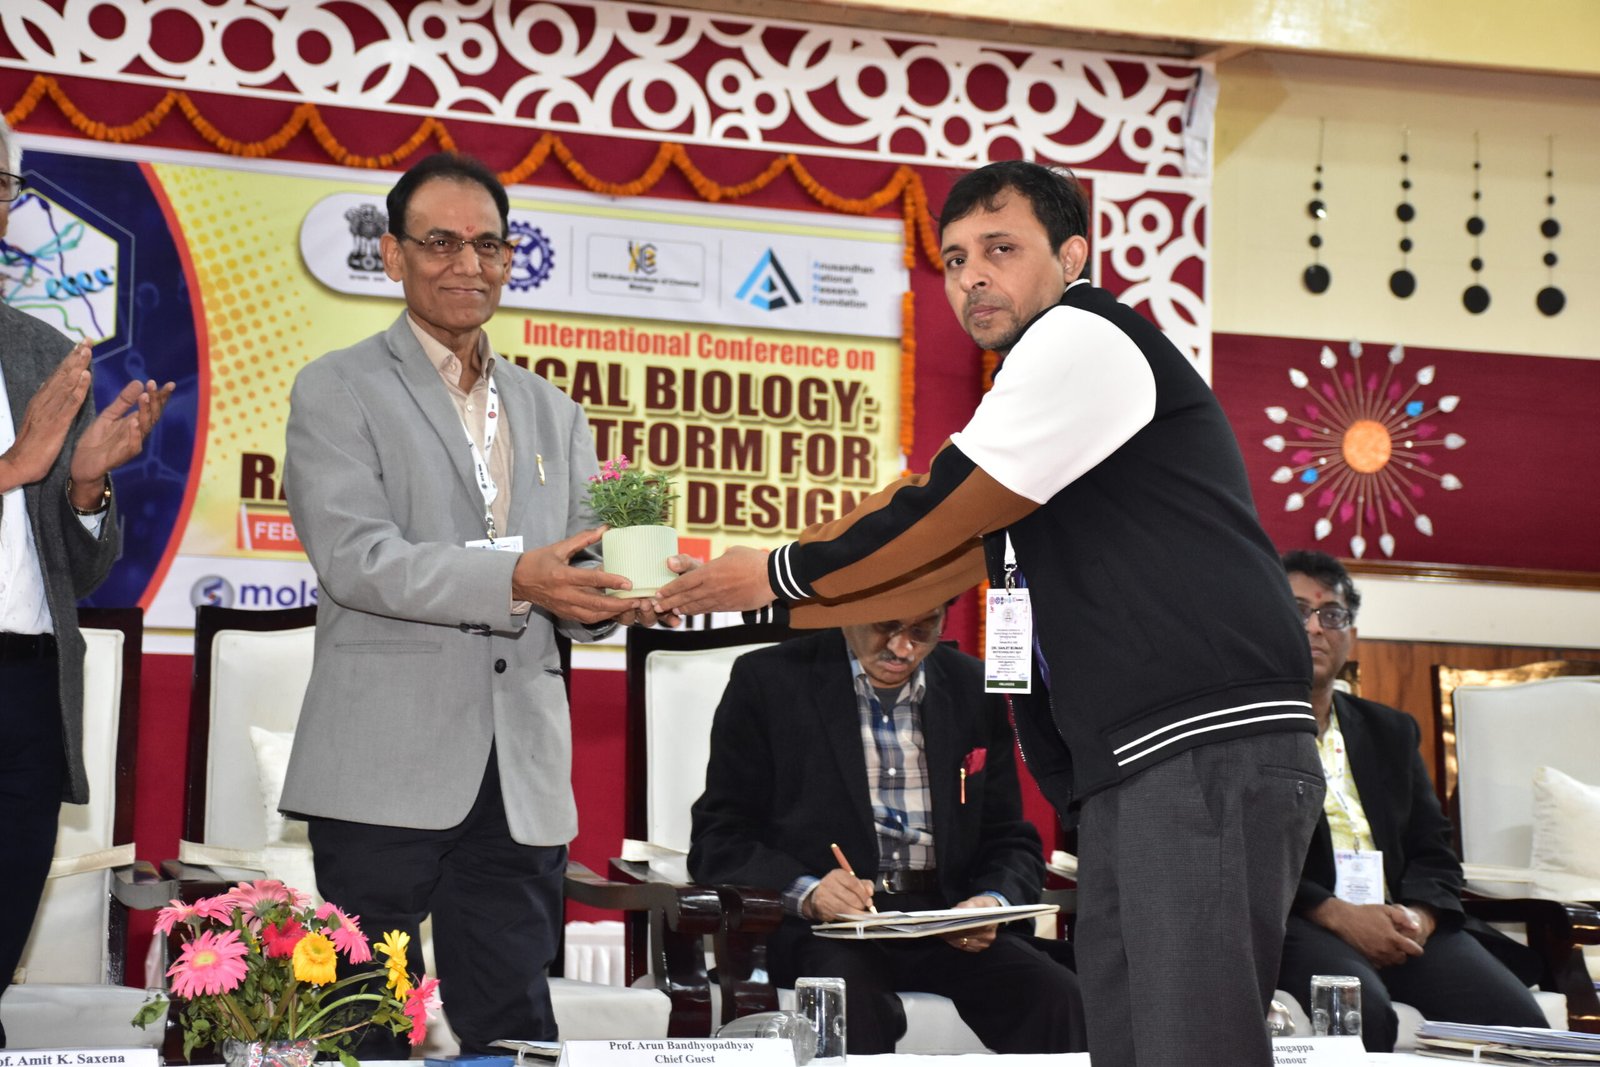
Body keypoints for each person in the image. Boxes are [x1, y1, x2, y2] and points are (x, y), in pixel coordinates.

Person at [657, 159, 1325, 1066]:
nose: (972, 276)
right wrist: (768, 589)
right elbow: (934, 550)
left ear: (1072, 257)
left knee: (1190, 1041)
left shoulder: (1082, 338)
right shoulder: (1044, 384)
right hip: (1140, 760)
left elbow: (941, 508)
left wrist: (776, 574)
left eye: (1000, 249)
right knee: (1133, 1040)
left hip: (1198, 743)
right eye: (956, 258)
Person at [280, 152, 659, 1054]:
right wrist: (519, 579)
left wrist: (620, 595)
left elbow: (573, 566)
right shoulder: (337, 387)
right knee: (363, 1028)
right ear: (393, 256)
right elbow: (357, 560)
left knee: (514, 1031)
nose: (468, 263)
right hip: (383, 764)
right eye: (440, 242)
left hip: (519, 770)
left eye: (489, 244)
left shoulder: (554, 410)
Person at [689, 600, 1085, 1054]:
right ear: (848, 607)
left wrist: (989, 904)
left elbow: (1009, 838)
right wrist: (810, 892)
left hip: (943, 921)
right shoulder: (769, 679)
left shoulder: (972, 686)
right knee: (849, 1000)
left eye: (923, 628)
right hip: (828, 931)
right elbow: (718, 839)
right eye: (886, 626)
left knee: (1057, 996)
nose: (902, 648)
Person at [0, 115, 174, 1047]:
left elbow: (81, 569)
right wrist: (12, 467)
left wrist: (83, 483)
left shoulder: (38, 349)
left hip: (28, 688)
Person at [1278, 550, 1548, 1051]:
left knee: (1519, 1024)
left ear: (1352, 635)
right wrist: (1337, 914)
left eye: (1332, 615)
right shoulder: (1248, 731)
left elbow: (1434, 850)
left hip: (1401, 924)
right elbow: (1250, 852)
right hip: (1304, 920)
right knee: (1360, 1010)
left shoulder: (1390, 730)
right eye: (1297, 611)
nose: (1315, 627)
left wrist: (1420, 918)